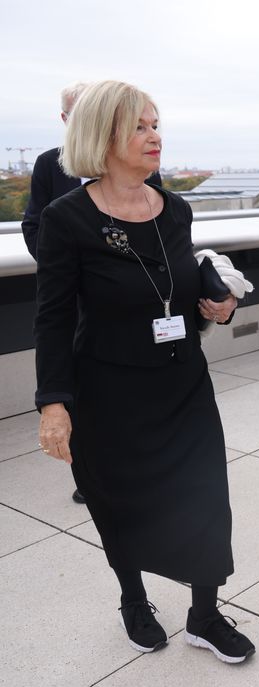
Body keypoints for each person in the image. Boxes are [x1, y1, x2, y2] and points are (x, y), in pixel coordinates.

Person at [34, 80, 255, 661]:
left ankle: (205, 615)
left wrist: (220, 304)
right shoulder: (67, 219)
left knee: (207, 498)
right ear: (102, 135)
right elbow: (53, 319)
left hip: (183, 383)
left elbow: (176, 290)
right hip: (109, 393)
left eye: (156, 124)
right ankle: (133, 600)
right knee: (122, 503)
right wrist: (54, 404)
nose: (155, 136)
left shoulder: (175, 208)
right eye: (139, 126)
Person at [23, 83, 164, 508]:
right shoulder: (51, 166)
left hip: (130, 299)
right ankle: (92, 470)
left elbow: (150, 226)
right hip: (77, 293)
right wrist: (63, 265)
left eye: (153, 126)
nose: (152, 136)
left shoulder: (154, 184)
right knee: (90, 380)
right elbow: (36, 224)